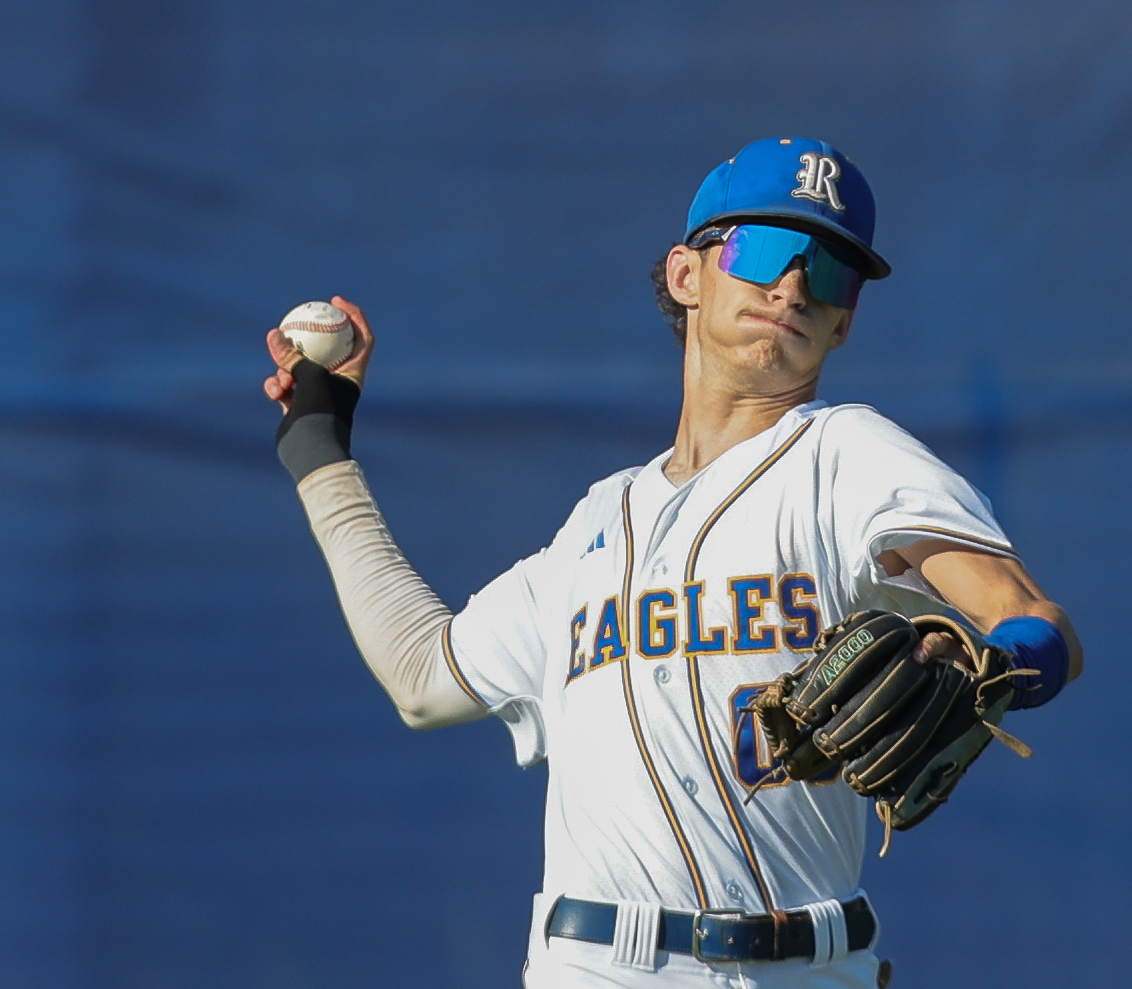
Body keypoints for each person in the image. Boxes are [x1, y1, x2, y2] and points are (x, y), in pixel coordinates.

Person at [262, 137, 1082, 988]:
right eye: (764, 249)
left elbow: (1030, 615)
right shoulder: (598, 523)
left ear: (844, 321)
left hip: (807, 969)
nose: (792, 285)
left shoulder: (848, 455)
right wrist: (318, 446)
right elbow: (422, 675)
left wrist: (998, 666)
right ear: (687, 275)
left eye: (830, 273)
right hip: (596, 966)